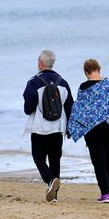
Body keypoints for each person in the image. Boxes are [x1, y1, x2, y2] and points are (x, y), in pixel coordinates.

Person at [68, 59, 109, 204]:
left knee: (99, 161)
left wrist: (72, 128)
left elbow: (79, 110)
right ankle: (108, 190)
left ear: (86, 72)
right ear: (99, 69)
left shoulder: (84, 87)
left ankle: (105, 193)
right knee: (108, 158)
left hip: (94, 130)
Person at [22, 50, 73, 202]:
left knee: (38, 157)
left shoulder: (34, 82)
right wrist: (69, 128)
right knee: (55, 159)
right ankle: (54, 196)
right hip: (58, 128)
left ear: (41, 63)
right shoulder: (63, 83)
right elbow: (70, 106)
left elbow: (28, 108)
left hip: (39, 128)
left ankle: (50, 180)